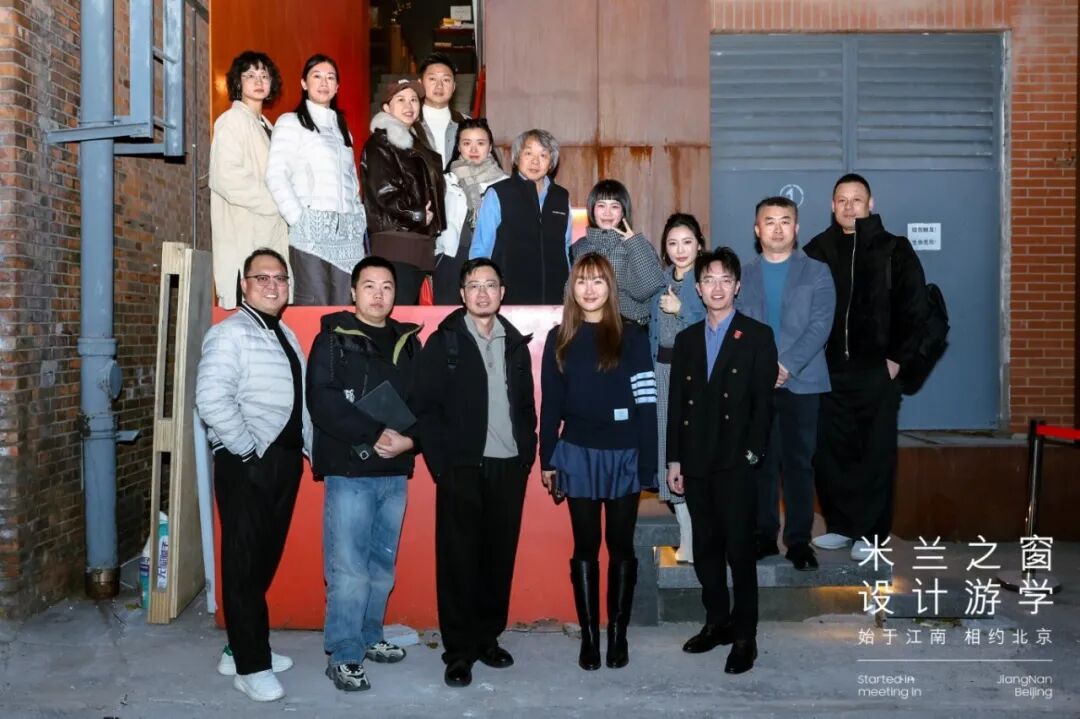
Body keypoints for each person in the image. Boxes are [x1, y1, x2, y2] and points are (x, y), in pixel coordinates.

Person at [413, 258, 537, 688]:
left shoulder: (515, 343)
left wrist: (526, 455)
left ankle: (487, 638)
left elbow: (526, 406)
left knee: (498, 558)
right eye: (474, 286)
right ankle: (459, 652)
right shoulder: (444, 342)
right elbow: (425, 408)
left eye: (490, 285)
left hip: (508, 466)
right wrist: (443, 464)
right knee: (458, 561)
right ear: (462, 293)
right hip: (461, 468)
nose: (483, 293)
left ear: (502, 292)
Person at [195, 248, 311, 702]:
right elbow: (211, 399)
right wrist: (247, 451)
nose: (272, 285)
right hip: (248, 462)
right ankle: (251, 666)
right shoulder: (229, 334)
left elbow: (297, 400)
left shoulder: (283, 332)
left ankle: (237, 649)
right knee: (244, 565)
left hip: (283, 461)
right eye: (261, 277)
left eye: (279, 278)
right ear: (244, 285)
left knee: (261, 560)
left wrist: (308, 449)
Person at [305, 256, 423, 692]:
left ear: (395, 293)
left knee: (381, 566)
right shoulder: (332, 339)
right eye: (369, 285)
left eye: (387, 286)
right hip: (350, 471)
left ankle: (371, 636)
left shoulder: (409, 343)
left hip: (395, 472)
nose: (378, 294)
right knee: (349, 570)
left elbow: (426, 401)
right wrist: (373, 433)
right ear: (353, 292)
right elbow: (323, 401)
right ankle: (344, 654)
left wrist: (412, 441)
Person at [539, 253, 658, 671]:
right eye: (582, 281)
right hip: (577, 454)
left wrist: (649, 464)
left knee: (621, 546)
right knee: (585, 546)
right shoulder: (559, 338)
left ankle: (618, 635)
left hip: (625, 454)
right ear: (572, 288)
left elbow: (647, 403)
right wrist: (547, 459)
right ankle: (590, 638)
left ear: (611, 287)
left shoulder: (633, 335)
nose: (589, 289)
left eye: (598, 281)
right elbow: (550, 406)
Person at [803, 174, 930, 561]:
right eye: (841, 200)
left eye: (856, 199)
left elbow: (916, 308)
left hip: (876, 371)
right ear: (832, 206)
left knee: (874, 454)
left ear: (870, 204)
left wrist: (896, 360)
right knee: (830, 453)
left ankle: (871, 533)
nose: (849, 206)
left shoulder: (894, 248)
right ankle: (841, 526)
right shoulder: (817, 250)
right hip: (827, 373)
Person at [666, 248, 776, 675]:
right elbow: (677, 404)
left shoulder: (757, 336)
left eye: (725, 280)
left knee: (740, 552)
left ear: (737, 286)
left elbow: (764, 404)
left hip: (735, 460)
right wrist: (674, 459)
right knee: (706, 549)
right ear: (698, 288)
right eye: (709, 280)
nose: (717, 287)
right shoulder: (687, 339)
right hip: (695, 460)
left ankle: (745, 637)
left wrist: (752, 454)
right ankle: (717, 622)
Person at [736, 197, 835, 571]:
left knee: (799, 464)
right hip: (756, 384)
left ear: (796, 228)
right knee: (760, 462)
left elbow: (820, 326)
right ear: (756, 229)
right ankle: (764, 535)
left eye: (785, 221)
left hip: (803, 383)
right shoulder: (743, 275)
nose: (777, 228)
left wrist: (787, 366)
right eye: (769, 221)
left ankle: (798, 541)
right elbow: (736, 326)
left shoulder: (818, 272)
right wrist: (762, 369)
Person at [265, 54, 365, 306]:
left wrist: (358, 215)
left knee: (346, 306)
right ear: (304, 83)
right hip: (311, 234)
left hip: (348, 237)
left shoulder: (342, 128)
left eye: (330, 77)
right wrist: (298, 218)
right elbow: (276, 174)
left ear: (337, 86)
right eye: (317, 76)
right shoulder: (291, 122)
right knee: (314, 305)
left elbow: (352, 181)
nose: (324, 83)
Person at [648, 213, 707, 563]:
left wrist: (681, 309)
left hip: (695, 375)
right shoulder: (660, 282)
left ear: (699, 244)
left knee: (692, 451)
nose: (680, 249)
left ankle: (700, 536)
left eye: (687, 242)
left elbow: (715, 325)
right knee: (667, 454)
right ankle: (687, 536)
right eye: (672, 243)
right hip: (662, 371)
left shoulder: (708, 280)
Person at [209, 51, 289, 310]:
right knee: (248, 309)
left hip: (269, 233)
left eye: (264, 75)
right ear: (238, 82)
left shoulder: (268, 126)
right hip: (243, 232)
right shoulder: (231, 121)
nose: (258, 81)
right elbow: (226, 177)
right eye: (250, 75)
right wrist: (276, 203)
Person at [361, 77, 446, 306]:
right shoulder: (381, 142)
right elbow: (384, 191)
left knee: (411, 312)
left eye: (413, 100)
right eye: (400, 100)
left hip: (417, 241)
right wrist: (416, 214)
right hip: (397, 241)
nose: (409, 105)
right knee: (398, 308)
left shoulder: (415, 142)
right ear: (386, 108)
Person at [470, 129, 573, 304]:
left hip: (556, 298)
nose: (535, 161)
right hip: (509, 297)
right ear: (517, 158)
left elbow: (566, 247)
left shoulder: (561, 197)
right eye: (528, 153)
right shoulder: (498, 193)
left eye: (543, 155)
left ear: (551, 163)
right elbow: (481, 249)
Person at [432, 119, 508, 304]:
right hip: (451, 258)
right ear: (458, 147)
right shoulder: (444, 182)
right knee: (447, 314)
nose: (474, 149)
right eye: (467, 143)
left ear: (490, 147)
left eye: (480, 143)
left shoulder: (505, 185)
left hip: (491, 259)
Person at [570, 179, 666, 324]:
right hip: (588, 322)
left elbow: (648, 289)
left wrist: (634, 244)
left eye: (614, 206)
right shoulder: (580, 246)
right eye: (601, 205)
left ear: (623, 212)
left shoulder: (636, 244)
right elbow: (569, 290)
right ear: (592, 210)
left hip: (629, 324)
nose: (607, 212)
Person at [418, 52, 468, 169]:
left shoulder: (467, 124)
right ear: (420, 84)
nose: (439, 86)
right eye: (432, 79)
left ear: (453, 87)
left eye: (446, 80)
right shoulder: (407, 125)